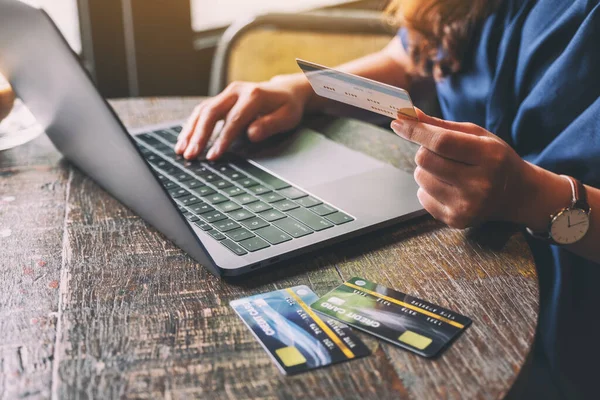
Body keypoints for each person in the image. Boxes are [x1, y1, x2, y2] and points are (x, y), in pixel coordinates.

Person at [177, 0, 600, 397]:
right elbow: (413, 61)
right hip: (457, 270)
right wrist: (304, 89)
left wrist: (529, 195)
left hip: (570, 337)